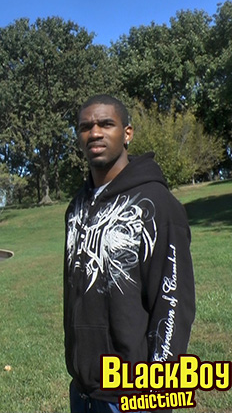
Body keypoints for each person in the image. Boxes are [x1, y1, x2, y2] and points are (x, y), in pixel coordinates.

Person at [63, 95, 195, 413]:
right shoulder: (76, 208)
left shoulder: (156, 204)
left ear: (127, 133)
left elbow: (173, 302)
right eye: (85, 127)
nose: (95, 133)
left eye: (106, 124)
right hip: (82, 392)